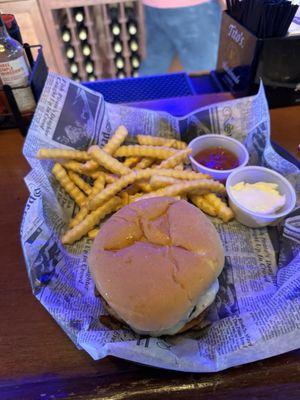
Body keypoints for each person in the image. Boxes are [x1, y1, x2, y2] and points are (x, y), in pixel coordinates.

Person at [139, 0, 225, 76]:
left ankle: (142, 93)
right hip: (193, 6)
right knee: (206, 69)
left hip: (153, 5)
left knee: (156, 62)